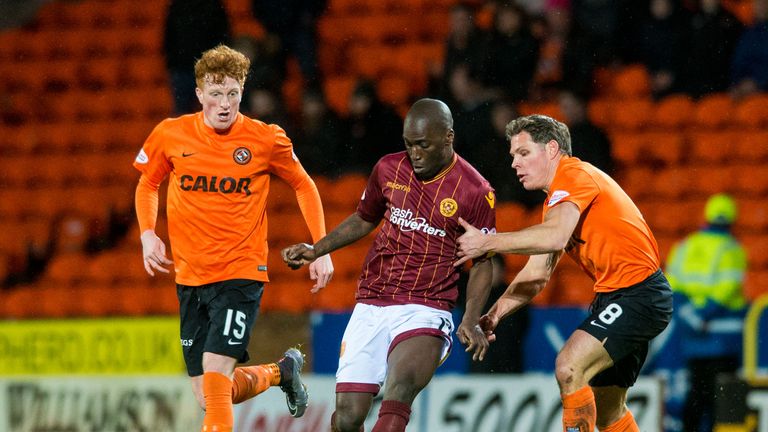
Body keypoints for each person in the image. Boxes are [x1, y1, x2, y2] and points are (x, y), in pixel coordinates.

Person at [132, 44, 334, 432]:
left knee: (215, 370)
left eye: (233, 94)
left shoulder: (265, 139)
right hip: (190, 278)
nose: (224, 104)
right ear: (199, 94)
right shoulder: (170, 134)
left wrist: (321, 248)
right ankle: (281, 373)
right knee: (208, 392)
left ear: (242, 92)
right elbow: (147, 183)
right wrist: (147, 233)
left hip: (240, 274)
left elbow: (304, 186)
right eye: (215, 93)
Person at [282, 98, 496, 432]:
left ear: (448, 137)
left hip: (427, 306)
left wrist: (470, 318)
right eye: (409, 145)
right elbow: (364, 219)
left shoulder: (475, 191)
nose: (416, 154)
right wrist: (316, 249)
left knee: (400, 391)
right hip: (373, 300)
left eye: (423, 145)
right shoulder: (388, 169)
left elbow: (483, 263)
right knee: (349, 417)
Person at [455, 114, 673, 432]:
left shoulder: (573, 175)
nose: (515, 163)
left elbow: (554, 237)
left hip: (639, 293)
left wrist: (487, 241)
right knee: (608, 411)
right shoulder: (558, 202)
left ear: (552, 149)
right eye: (513, 156)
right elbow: (538, 273)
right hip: (619, 296)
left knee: (568, 367)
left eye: (524, 153)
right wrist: (495, 313)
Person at [665, 193, 748, 432]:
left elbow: (672, 285)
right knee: (724, 402)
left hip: (694, 338)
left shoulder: (685, 246)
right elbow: (726, 290)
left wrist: (692, 316)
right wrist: (703, 316)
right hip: (724, 339)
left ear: (706, 217)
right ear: (732, 220)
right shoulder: (731, 249)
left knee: (696, 395)